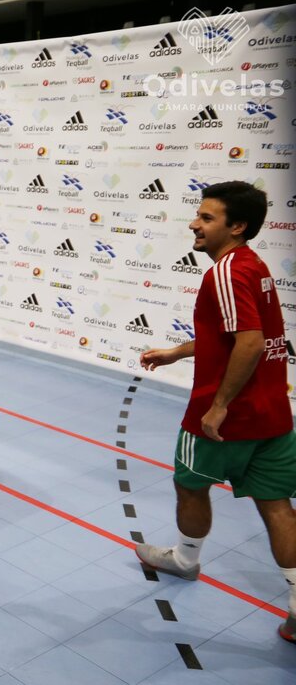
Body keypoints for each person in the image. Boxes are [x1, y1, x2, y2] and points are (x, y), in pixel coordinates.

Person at [134, 181, 295, 645]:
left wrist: (219, 405)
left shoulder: (223, 272)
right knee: (278, 506)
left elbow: (250, 342)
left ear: (237, 226)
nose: (194, 224)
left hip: (225, 418)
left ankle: (185, 560)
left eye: (207, 217)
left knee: (189, 486)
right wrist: (177, 352)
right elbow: (234, 334)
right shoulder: (253, 266)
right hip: (272, 414)